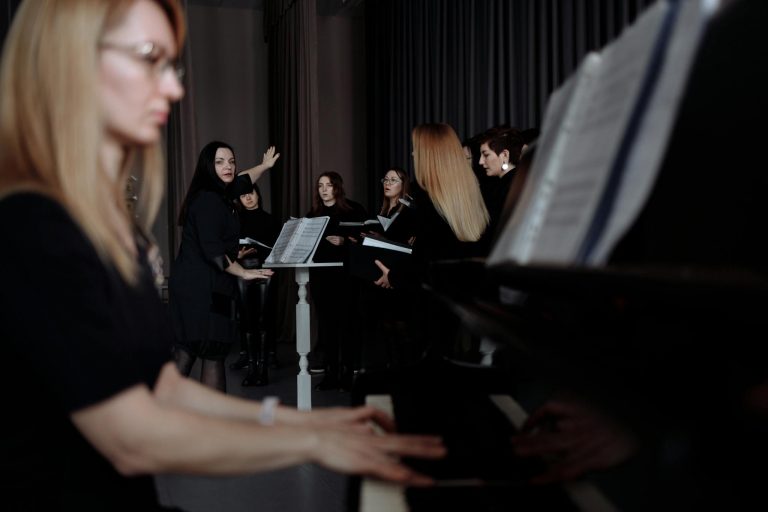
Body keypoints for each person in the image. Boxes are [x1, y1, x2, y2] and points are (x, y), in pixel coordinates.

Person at [0, 1, 445, 510]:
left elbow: (162, 388)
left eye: (172, 65)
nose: (171, 88)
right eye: (149, 58)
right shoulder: (37, 224)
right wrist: (312, 442)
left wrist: (308, 420)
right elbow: (131, 438)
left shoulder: (108, 226)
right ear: (71, 64)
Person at [372, 123, 489, 362]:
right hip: (461, 310)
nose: (413, 155)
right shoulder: (470, 197)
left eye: (417, 149)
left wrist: (393, 275)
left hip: (427, 308)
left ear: (430, 157)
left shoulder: (424, 200)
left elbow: (422, 260)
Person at [170, 140, 276, 392]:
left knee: (199, 350)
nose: (228, 166)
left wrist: (264, 166)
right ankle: (158, 416)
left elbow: (242, 180)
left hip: (210, 284)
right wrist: (245, 272)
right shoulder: (208, 200)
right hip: (200, 288)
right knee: (202, 350)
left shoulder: (221, 193)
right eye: (219, 162)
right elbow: (213, 252)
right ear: (208, 166)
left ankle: (162, 416)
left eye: (231, 161)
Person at [307, 171, 368, 390]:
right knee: (327, 328)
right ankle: (331, 374)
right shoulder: (312, 215)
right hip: (321, 280)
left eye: (329, 185)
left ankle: (346, 374)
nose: (324, 189)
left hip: (346, 280)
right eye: (320, 185)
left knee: (348, 327)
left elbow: (367, 243)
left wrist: (345, 242)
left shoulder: (354, 210)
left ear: (337, 188)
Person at [233, 182, 281, 386]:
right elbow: (227, 249)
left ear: (258, 194)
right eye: (243, 195)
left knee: (262, 319)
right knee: (246, 318)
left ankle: (262, 371)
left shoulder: (271, 220)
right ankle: (251, 369)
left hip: (265, 270)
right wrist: (238, 254)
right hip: (242, 271)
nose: (248, 197)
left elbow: (279, 248)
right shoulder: (235, 219)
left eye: (251, 193)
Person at [476, 125, 525, 241]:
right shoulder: (508, 183)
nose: (480, 162)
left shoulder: (510, 187)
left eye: (486, 155)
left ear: (505, 155)